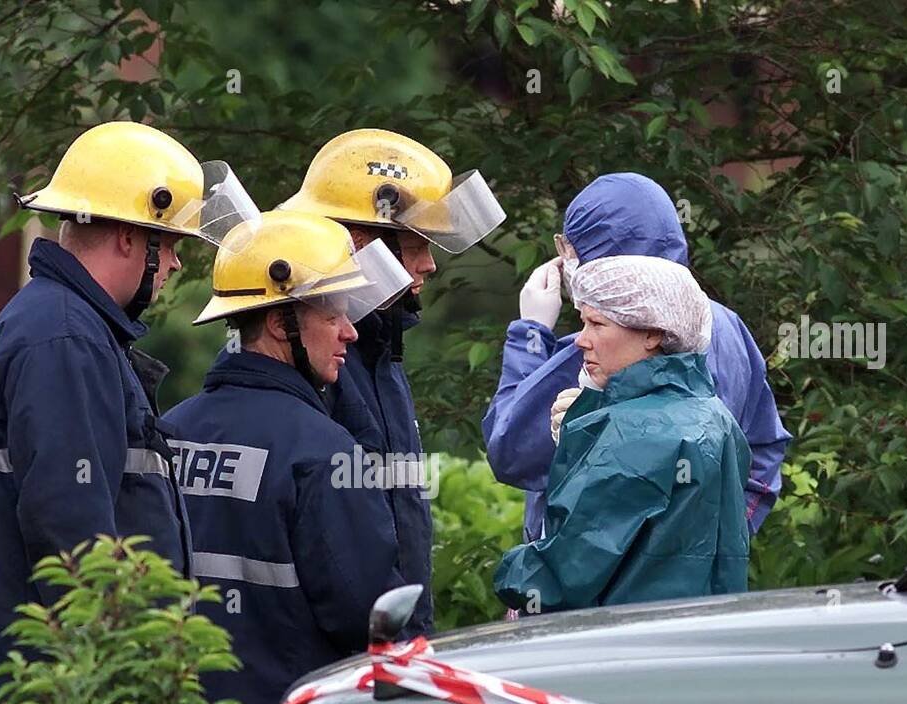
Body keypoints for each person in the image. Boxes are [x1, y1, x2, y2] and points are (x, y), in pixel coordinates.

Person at [0, 121, 255, 704]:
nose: (176, 268)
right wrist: (125, 674)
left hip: (26, 689)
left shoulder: (52, 323)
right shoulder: (65, 337)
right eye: (174, 245)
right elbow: (71, 522)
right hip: (52, 703)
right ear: (129, 240)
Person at [160, 210, 413, 704]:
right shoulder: (326, 453)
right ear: (280, 322)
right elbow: (368, 617)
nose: (351, 333)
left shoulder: (167, 432)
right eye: (332, 315)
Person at [278, 129, 506, 637]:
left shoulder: (378, 350)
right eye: (416, 244)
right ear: (361, 244)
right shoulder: (316, 362)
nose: (429, 262)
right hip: (343, 660)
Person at [482, 172, 789, 543]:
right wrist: (723, 539)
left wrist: (530, 334)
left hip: (599, 590)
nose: (564, 262)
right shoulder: (727, 325)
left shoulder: (606, 348)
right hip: (699, 582)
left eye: (568, 251)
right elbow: (764, 450)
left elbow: (511, 450)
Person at [494, 254, 751, 613]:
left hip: (614, 647)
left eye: (597, 324)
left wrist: (512, 582)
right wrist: (587, 424)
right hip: (694, 638)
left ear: (653, 333)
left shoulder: (632, 434)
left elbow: (564, 574)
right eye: (583, 323)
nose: (581, 340)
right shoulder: (715, 416)